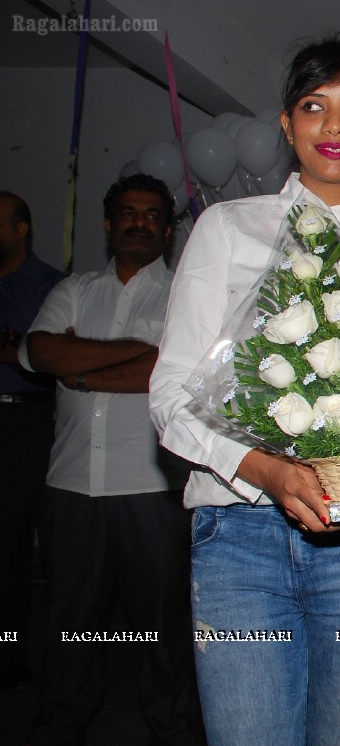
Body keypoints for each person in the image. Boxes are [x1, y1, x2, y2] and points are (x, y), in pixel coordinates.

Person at [149, 35, 340, 745]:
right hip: (241, 530)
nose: (335, 125)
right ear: (286, 125)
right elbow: (170, 395)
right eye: (314, 106)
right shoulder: (226, 229)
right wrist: (268, 471)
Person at [20, 174, 202, 742]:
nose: (138, 222)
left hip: (149, 486)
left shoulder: (182, 294)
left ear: (167, 230)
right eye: (127, 213)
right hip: (71, 483)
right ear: (108, 224)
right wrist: (138, 355)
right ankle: (62, 721)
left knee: (161, 625)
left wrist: (81, 368)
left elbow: (168, 372)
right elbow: (38, 349)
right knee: (70, 621)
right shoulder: (73, 289)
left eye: (151, 215)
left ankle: (171, 727)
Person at [0, 191, 64, 692]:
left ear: (21, 229)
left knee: (13, 541)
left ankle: (12, 652)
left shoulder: (48, 286)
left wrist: (16, 351)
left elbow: (47, 357)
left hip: (25, 421)